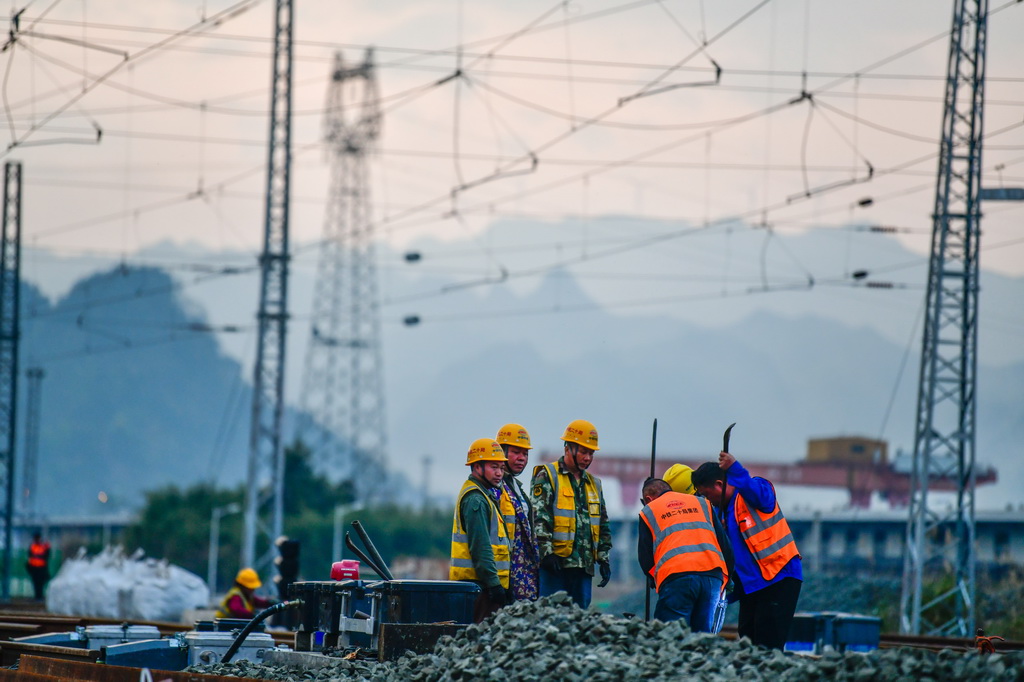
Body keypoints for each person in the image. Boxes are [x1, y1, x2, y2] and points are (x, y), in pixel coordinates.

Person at [691, 449, 802, 650]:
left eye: (708, 494)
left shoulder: (753, 493)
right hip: (751, 586)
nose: (707, 499)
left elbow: (760, 494)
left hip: (778, 576)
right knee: (748, 641)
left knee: (768, 643)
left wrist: (735, 469)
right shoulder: (720, 512)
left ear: (719, 484)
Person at [531, 419, 613, 608]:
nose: (587, 458)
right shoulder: (547, 475)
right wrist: (546, 554)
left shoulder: (595, 484)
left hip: (583, 567)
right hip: (555, 566)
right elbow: (539, 517)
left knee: (580, 620)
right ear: (568, 448)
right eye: (584, 452)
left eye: (591, 453)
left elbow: (602, 523)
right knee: (550, 618)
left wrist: (603, 558)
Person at [637, 477, 731, 631]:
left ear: (648, 499)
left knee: (671, 636)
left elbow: (645, 559)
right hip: (712, 576)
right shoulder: (702, 503)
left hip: (676, 577)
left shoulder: (649, 511)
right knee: (702, 637)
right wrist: (727, 579)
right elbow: (725, 545)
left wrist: (657, 579)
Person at [450, 437, 514, 623]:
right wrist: (494, 585)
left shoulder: (484, 495)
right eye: (494, 467)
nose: (499, 473)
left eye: (502, 468)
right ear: (477, 467)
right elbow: (481, 548)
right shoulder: (476, 499)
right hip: (479, 587)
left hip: (482, 586)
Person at [496, 423, 539, 601]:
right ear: (501, 451)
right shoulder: (494, 487)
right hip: (504, 573)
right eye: (516, 452)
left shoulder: (517, 489)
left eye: (525, 453)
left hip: (522, 573)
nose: (521, 458)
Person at [26, 532, 51, 601]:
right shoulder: (33, 546)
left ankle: (39, 596)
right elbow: (30, 556)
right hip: (35, 568)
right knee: (36, 582)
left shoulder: (42, 546)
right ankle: (37, 596)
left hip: (41, 567)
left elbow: (47, 554)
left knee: (40, 582)